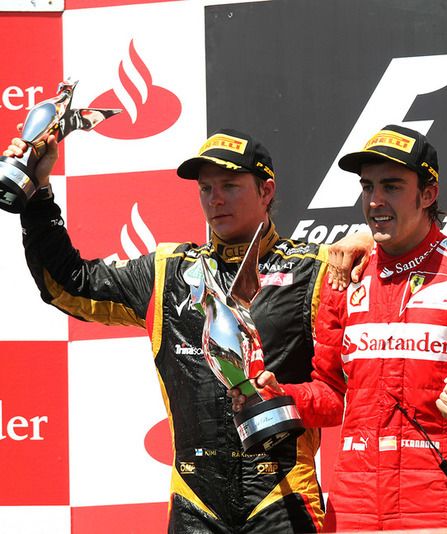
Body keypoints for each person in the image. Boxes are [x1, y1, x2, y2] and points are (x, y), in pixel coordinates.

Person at [6, 128, 360, 532]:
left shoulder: (315, 269)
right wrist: (37, 194)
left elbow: (343, 384)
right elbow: (69, 284)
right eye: (206, 188)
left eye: (229, 185)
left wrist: (367, 237)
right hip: (195, 500)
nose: (215, 199)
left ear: (266, 191)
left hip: (281, 494)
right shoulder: (167, 270)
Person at [233, 124, 447, 531]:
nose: (375, 201)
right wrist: (279, 395)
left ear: (428, 194)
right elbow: (330, 393)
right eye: (367, 186)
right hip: (353, 506)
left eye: (391, 187)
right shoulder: (346, 278)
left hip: (437, 503)